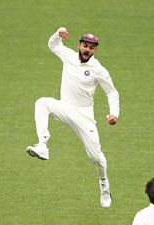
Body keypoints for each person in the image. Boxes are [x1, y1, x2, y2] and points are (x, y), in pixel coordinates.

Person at [25, 27, 120, 208]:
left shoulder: (98, 69)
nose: (87, 50)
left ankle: (104, 185)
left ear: (95, 50)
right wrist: (58, 32)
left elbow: (112, 92)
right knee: (42, 102)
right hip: (65, 107)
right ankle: (43, 145)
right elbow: (53, 45)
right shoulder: (68, 56)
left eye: (91, 48)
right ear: (79, 45)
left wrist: (114, 113)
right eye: (85, 46)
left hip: (84, 116)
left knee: (96, 158)